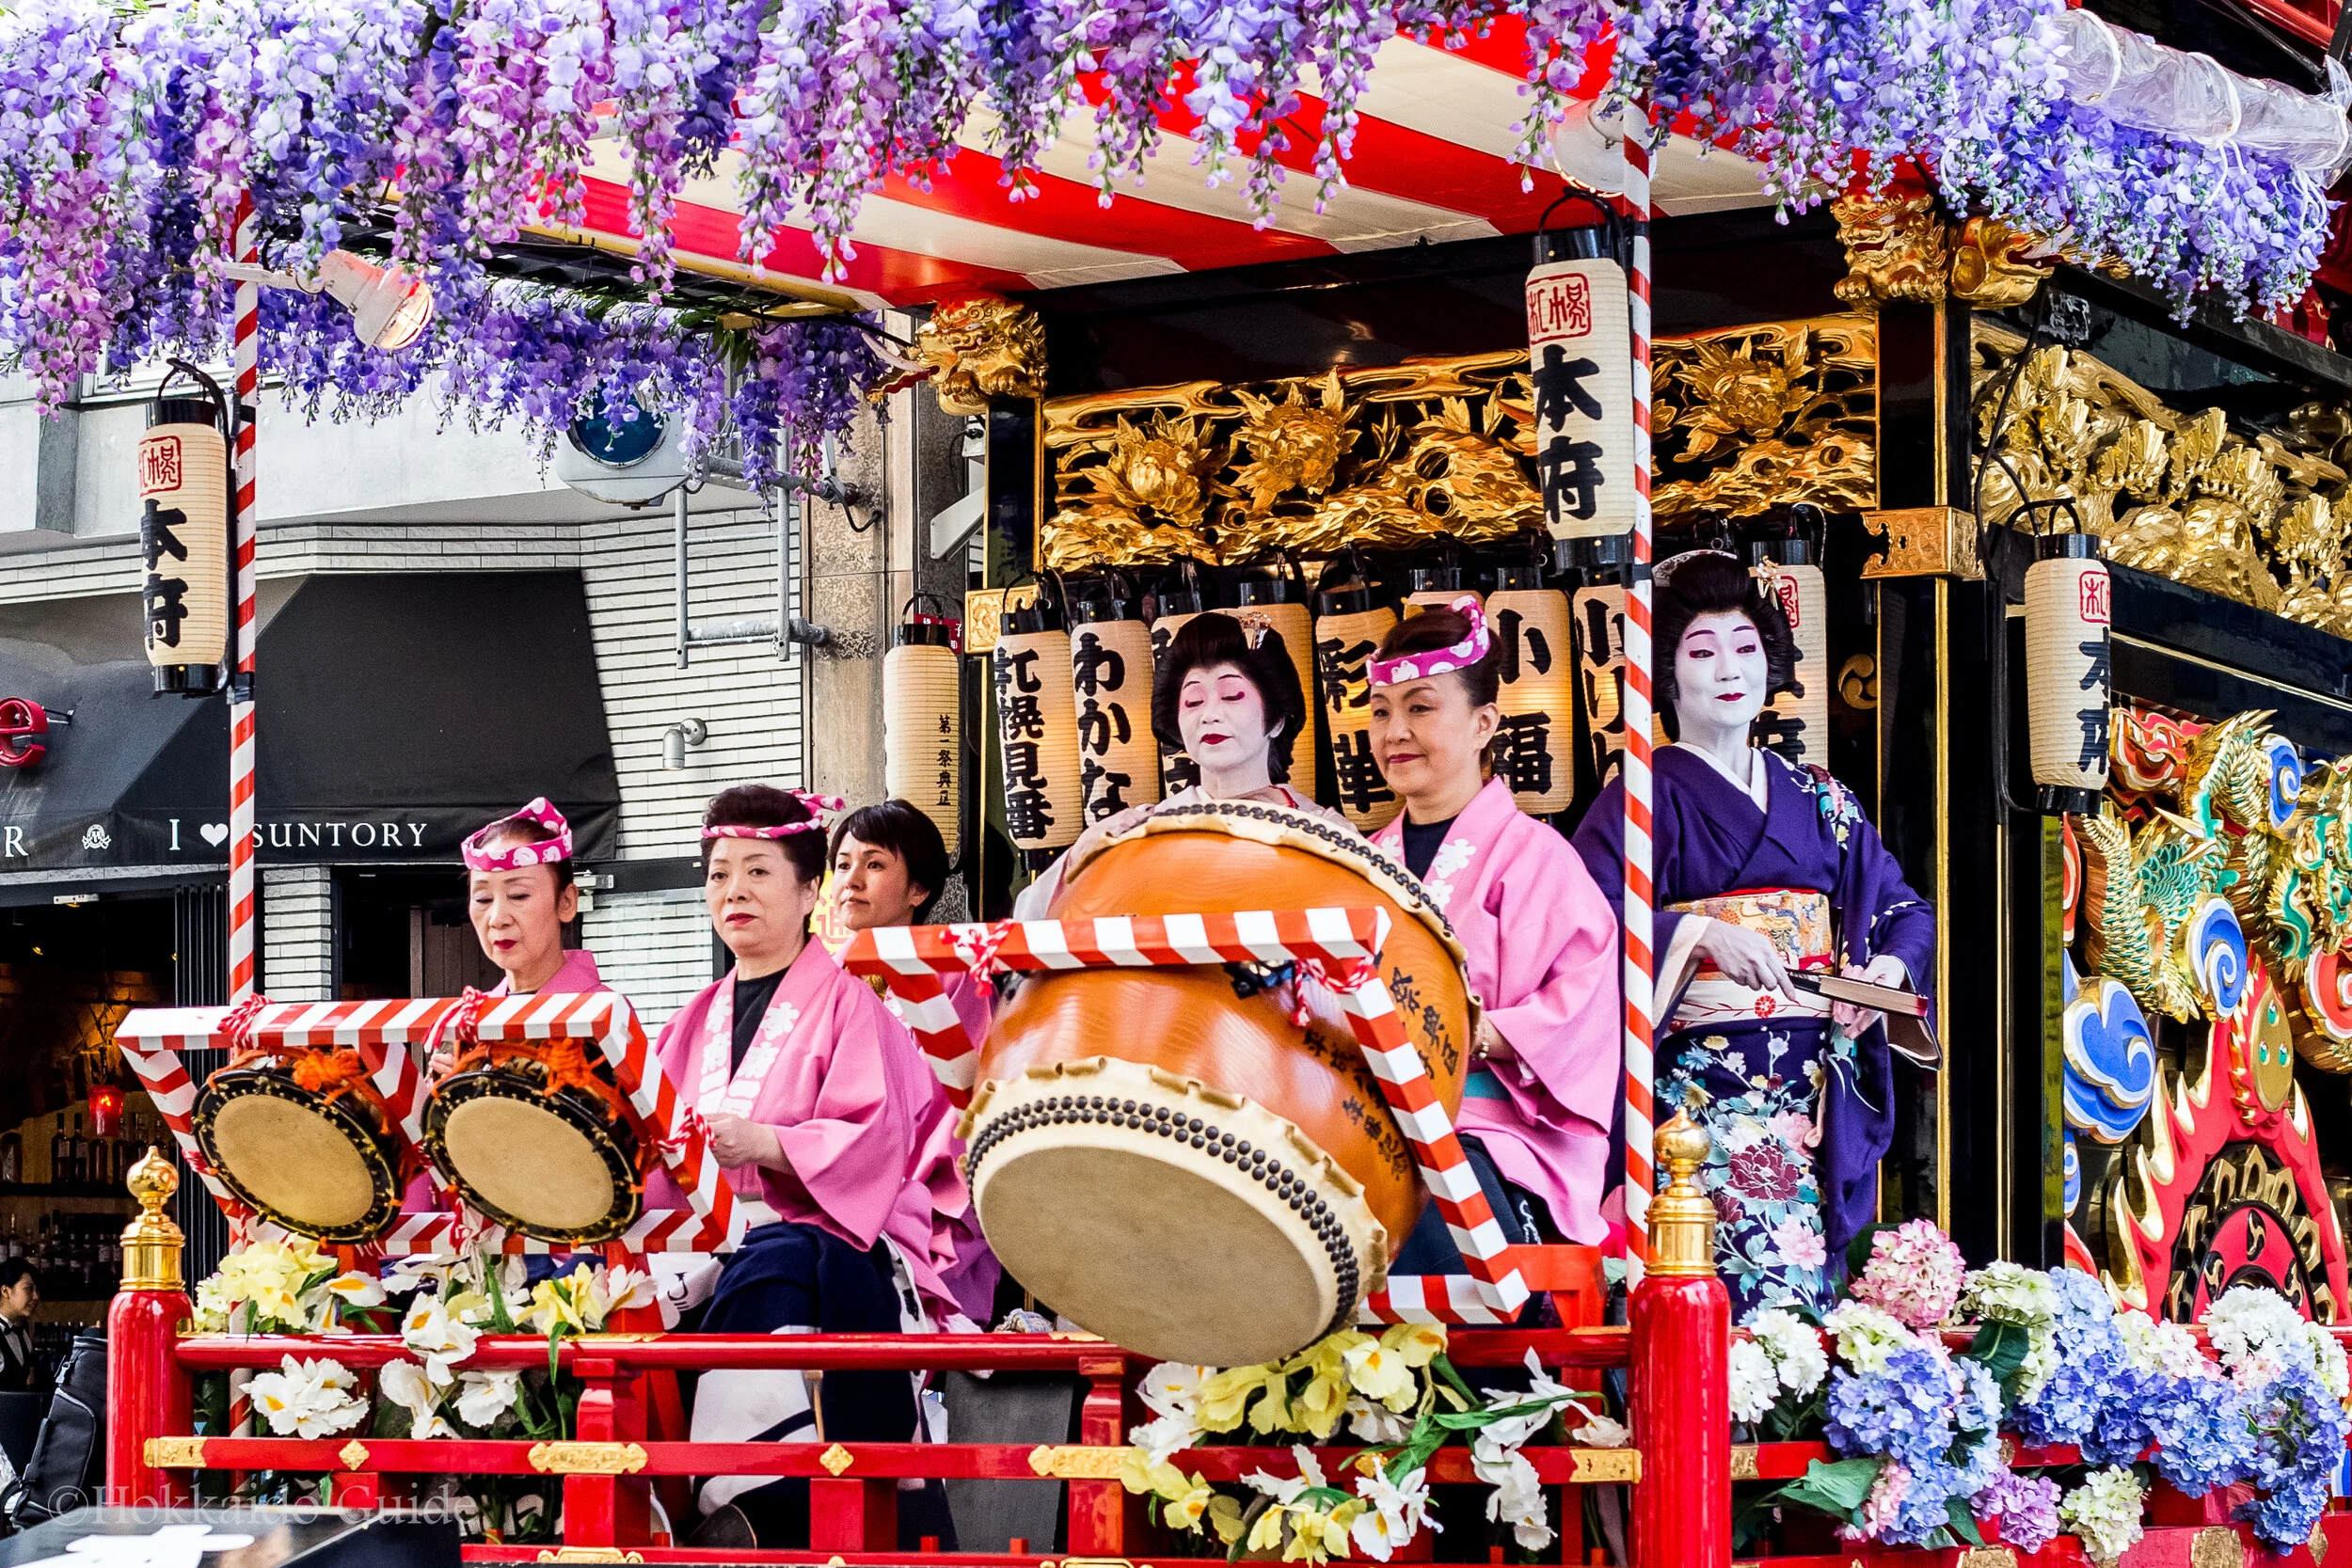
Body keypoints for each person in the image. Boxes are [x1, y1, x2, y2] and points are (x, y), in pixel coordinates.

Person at [1570, 551, 1934, 1321]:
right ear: (1668, 675)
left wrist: (1890, 976)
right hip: (1691, 1104)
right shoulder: (1638, 799)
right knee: (1703, 1293)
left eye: (1745, 648)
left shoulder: (1822, 800)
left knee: (1807, 1293)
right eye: (1701, 652)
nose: (1728, 670)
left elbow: (1902, 910)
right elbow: (1584, 926)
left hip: (1807, 1098)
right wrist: (1695, 933)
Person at [646, 784, 971, 1549]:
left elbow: (874, 1143)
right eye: (721, 873)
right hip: (707, 1249)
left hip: (829, 1244)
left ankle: (748, 1490)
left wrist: (767, 1142)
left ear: (807, 889)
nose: (735, 891)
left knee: (778, 1261)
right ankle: (664, 1493)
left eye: (759, 871)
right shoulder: (690, 1018)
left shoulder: (853, 1003)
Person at [1360, 598, 1622, 1275]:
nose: (1396, 730)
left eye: (1420, 707)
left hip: (1492, 1132)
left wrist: (1465, 1032)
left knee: (1427, 1192)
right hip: (1364, 1125)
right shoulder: (1356, 864)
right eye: (1382, 710)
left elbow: (1580, 1008)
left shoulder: (1538, 857)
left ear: (1484, 723)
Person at [1017, 611, 1342, 916]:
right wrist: (1080, 854)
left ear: (1277, 721)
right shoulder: (1146, 831)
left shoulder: (1322, 832)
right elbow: (1030, 920)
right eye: (1194, 701)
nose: (1209, 714)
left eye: (1231, 696)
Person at [828, 799, 1001, 1325]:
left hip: (923, 1219)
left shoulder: (963, 979)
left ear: (919, 890)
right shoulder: (819, 985)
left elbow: (964, 1114)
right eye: (843, 864)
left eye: (874, 864)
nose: (852, 880)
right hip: (829, 1211)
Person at [406, 799, 612, 1212]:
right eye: (482, 899)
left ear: (566, 903)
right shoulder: (470, 1020)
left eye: (518, 895)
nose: (497, 918)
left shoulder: (602, 1013)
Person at [0, 1262, 37, 1393]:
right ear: (5, 1291)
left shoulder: (22, 1332)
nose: (36, 1297)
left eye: (36, 1290)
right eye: (29, 1289)